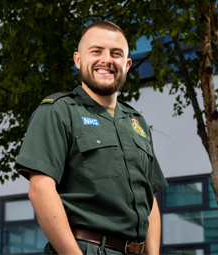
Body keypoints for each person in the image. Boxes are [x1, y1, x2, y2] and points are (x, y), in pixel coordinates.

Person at [15, 21, 168, 255]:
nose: (106, 60)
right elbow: (41, 190)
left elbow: (150, 201)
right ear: (78, 59)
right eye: (96, 51)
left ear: (126, 65)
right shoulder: (58, 111)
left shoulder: (137, 122)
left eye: (116, 54)